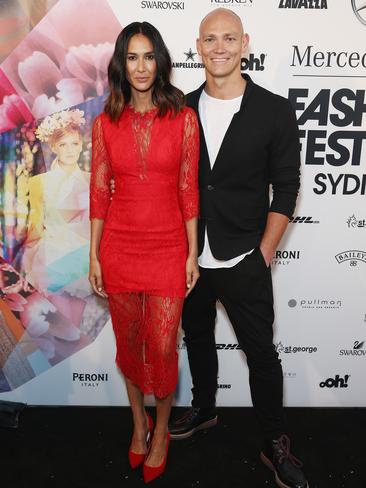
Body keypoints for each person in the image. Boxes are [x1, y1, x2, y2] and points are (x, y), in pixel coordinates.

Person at [168, 8, 308, 488]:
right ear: (199, 46)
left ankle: (274, 441)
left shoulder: (273, 110)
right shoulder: (179, 109)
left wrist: (264, 253)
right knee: (198, 338)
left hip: (244, 256)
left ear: (245, 43)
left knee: (261, 355)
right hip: (188, 258)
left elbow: (286, 189)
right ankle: (204, 408)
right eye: (211, 39)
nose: (220, 47)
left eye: (230, 38)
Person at [88, 22, 199, 483]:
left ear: (160, 61)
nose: (140, 66)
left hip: (169, 247)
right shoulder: (104, 122)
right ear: (121, 63)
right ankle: (139, 426)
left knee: (161, 345)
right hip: (120, 247)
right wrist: (93, 255)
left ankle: (162, 434)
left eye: (149, 56)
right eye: (132, 57)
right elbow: (98, 194)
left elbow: (188, 189)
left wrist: (193, 253)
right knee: (130, 345)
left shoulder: (183, 118)